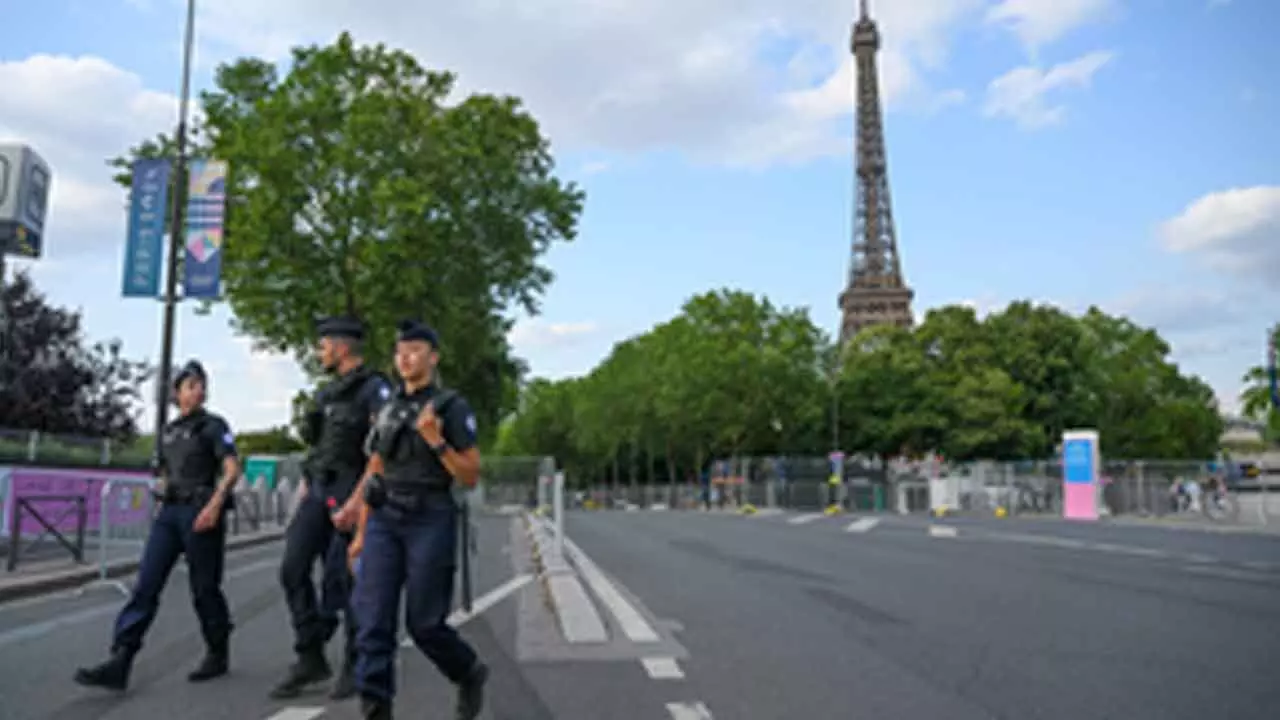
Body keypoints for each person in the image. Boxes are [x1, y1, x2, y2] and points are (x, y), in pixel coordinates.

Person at [337, 319, 488, 720]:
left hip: (430, 516)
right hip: (386, 516)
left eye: (415, 350)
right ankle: (375, 710)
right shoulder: (387, 409)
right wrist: (362, 534)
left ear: (433, 358)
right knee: (372, 625)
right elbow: (375, 471)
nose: (405, 357)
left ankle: (468, 672)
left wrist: (436, 440)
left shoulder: (450, 407)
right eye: (400, 351)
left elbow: (470, 475)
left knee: (425, 625)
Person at [74, 360, 239, 690]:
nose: (199, 390)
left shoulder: (214, 425)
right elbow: (164, 471)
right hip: (170, 513)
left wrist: (215, 504)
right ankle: (121, 659)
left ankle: (217, 649)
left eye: (202, 384)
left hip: (201, 511)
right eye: (191, 385)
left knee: (204, 588)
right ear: (177, 393)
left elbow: (232, 469)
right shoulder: (167, 431)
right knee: (146, 585)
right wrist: (162, 492)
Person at [271, 316, 391, 700]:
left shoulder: (375, 389)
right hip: (320, 487)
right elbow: (319, 447)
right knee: (292, 568)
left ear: (341, 347)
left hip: (352, 487)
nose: (319, 352)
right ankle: (310, 655)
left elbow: (382, 450)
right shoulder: (325, 395)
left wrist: (359, 500)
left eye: (323, 345)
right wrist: (306, 489)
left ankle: (356, 663)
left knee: (347, 578)